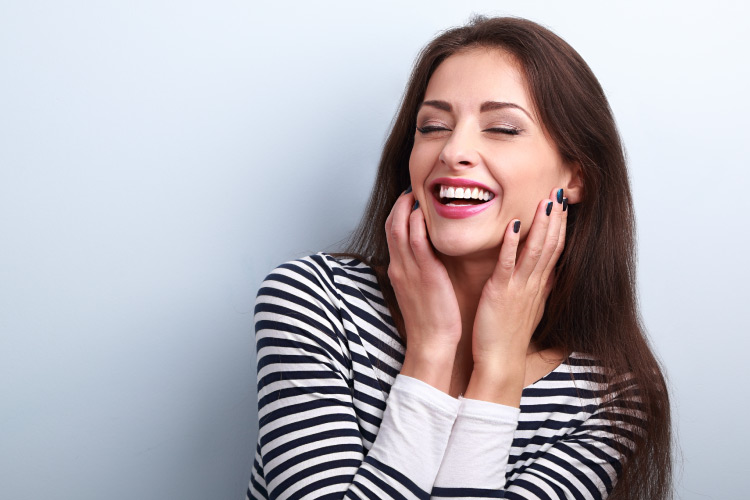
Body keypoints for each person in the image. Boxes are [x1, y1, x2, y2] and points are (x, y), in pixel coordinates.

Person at [246, 16, 672, 500]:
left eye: (503, 128)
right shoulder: (313, 299)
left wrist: (497, 373)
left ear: (576, 176)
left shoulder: (611, 394)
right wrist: (431, 351)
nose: (453, 150)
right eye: (433, 126)